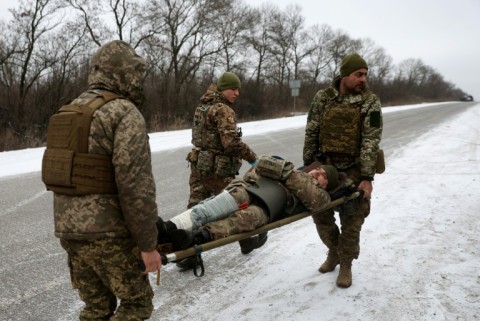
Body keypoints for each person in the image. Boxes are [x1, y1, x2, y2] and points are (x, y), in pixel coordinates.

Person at [41, 40, 161, 320]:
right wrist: (148, 245)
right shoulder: (124, 112)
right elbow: (135, 186)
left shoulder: (68, 110)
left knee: (96, 309)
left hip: (69, 232)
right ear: (125, 73)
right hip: (108, 234)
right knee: (136, 305)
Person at [303, 53, 383, 288]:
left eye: (365, 75)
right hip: (326, 168)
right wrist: (308, 165)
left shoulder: (370, 101)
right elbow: (311, 131)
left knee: (352, 218)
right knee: (320, 214)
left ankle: (346, 263)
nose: (363, 79)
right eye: (358, 74)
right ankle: (334, 252)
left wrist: (367, 177)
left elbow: (371, 139)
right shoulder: (323, 98)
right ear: (344, 75)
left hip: (355, 169)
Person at [157, 156, 355, 251]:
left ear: (325, 186)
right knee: (215, 206)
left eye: (323, 178)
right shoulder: (297, 173)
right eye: (319, 170)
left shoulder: (321, 195)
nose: (317, 174)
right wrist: (288, 175)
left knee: (243, 220)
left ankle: (194, 238)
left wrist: (284, 173)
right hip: (250, 189)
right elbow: (258, 168)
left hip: (268, 208)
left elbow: (314, 199)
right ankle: (169, 227)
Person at [180, 71, 261, 266]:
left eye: (238, 89)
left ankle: (189, 254)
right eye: (233, 89)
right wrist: (252, 158)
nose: (237, 93)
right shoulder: (223, 110)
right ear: (223, 89)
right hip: (219, 171)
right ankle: (247, 242)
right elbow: (231, 143)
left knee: (194, 209)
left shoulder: (202, 106)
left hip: (199, 166)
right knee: (234, 205)